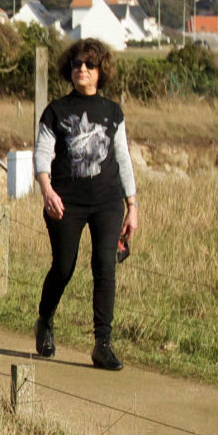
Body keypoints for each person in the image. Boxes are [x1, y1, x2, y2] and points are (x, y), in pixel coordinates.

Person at [33, 39, 139, 370]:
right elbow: (41, 154)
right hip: (66, 201)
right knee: (64, 266)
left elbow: (122, 157)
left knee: (105, 267)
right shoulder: (56, 110)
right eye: (77, 63)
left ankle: (102, 344)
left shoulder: (112, 112)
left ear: (100, 71)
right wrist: (47, 190)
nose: (82, 69)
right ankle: (45, 320)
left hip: (108, 201)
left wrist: (132, 205)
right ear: (70, 68)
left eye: (90, 65)